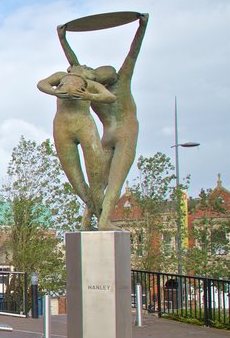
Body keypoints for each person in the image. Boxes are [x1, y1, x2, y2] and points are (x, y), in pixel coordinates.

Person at [58, 13, 149, 229]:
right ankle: (102, 221)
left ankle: (91, 220)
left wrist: (63, 39)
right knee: (109, 181)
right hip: (123, 133)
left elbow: (76, 65)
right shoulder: (111, 85)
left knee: (102, 181)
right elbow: (132, 55)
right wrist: (142, 27)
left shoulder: (96, 87)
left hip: (112, 135)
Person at [37, 70, 116, 229]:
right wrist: (56, 92)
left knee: (96, 176)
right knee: (76, 180)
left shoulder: (91, 84)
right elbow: (41, 83)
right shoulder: (60, 77)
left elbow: (110, 97)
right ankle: (97, 215)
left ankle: (103, 219)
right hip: (62, 128)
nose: (82, 67)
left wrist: (89, 96)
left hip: (85, 126)